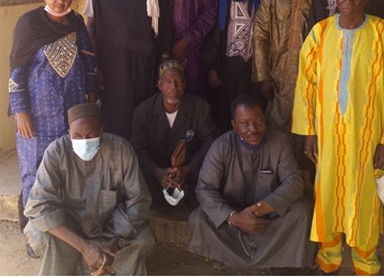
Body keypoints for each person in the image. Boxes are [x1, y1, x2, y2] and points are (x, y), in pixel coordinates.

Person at [292, 0, 384, 275]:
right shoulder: (319, 34)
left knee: (364, 197)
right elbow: (306, 84)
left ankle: (365, 262)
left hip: (367, 136)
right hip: (327, 136)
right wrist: (308, 132)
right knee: (327, 192)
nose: (348, 0)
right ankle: (328, 259)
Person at [8, 0, 98, 257]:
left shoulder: (76, 23)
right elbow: (17, 68)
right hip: (38, 115)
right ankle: (33, 236)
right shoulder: (29, 23)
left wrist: (92, 102)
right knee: (34, 173)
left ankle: (65, 233)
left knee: (71, 171)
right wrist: (20, 110)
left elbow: (89, 62)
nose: (60, 0)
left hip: (73, 114)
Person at [24, 102, 155, 276]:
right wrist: (84, 247)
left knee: (144, 240)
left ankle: (102, 262)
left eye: (91, 134)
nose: (84, 141)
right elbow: (38, 207)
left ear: (101, 131)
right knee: (40, 236)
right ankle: (83, 261)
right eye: (77, 136)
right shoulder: (55, 152)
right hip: (70, 229)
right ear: (69, 133)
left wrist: (114, 245)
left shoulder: (122, 150)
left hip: (111, 227)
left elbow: (139, 202)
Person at [187, 94, 316, 271]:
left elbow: (294, 183)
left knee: (302, 211)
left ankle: (271, 259)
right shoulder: (221, 146)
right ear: (234, 124)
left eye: (258, 122)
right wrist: (235, 218)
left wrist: (260, 209)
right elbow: (204, 189)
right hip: (232, 218)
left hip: (269, 217)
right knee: (199, 217)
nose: (253, 129)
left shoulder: (279, 142)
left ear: (265, 120)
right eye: (244, 123)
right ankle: (250, 256)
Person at [83, 0, 172, 140]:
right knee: (116, 115)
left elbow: (165, 24)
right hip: (112, 64)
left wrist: (164, 59)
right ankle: (117, 165)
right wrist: (96, 66)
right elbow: (91, 25)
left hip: (146, 63)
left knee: (145, 112)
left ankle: (143, 165)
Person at [252, 0, 319, 169]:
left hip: (313, 75)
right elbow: (260, 34)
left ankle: (309, 183)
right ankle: (279, 178)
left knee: (312, 128)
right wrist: (262, 77)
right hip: (279, 75)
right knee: (278, 128)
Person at [131, 59, 218, 210]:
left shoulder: (200, 107)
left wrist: (187, 169)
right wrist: (158, 172)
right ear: (159, 84)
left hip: (190, 171)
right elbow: (137, 149)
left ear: (185, 83)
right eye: (168, 81)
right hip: (154, 173)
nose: (174, 87)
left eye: (178, 81)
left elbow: (211, 141)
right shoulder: (143, 111)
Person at [202, 0, 264, 132]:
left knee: (253, 115)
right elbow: (211, 32)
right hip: (226, 69)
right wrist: (211, 68)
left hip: (253, 69)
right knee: (225, 115)